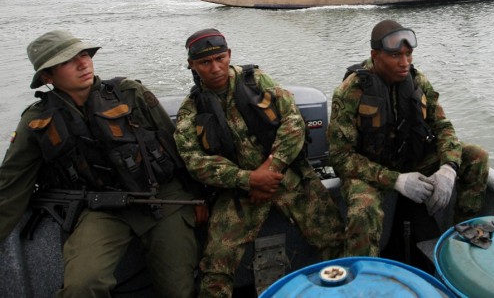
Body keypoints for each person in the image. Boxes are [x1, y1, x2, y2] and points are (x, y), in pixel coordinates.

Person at [0, 30, 205, 297]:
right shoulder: (37, 122)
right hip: (101, 207)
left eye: (84, 55)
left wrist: (199, 197)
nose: (83, 64)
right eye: (67, 61)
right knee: (82, 285)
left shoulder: (130, 94)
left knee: (179, 289)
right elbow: (11, 187)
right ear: (47, 77)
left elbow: (179, 148)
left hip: (164, 198)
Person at [174, 29, 344, 297]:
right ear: (192, 65)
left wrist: (271, 169)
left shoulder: (257, 82)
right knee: (215, 267)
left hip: (287, 176)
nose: (215, 68)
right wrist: (249, 180)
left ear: (229, 55)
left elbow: (294, 121)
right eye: (205, 63)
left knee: (335, 240)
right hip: (239, 193)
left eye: (220, 58)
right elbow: (195, 162)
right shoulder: (192, 109)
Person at [327, 19, 489, 263]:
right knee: (364, 208)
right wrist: (396, 180)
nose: (405, 63)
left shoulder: (417, 81)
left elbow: (443, 127)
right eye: (395, 55)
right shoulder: (351, 91)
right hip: (373, 171)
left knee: (476, 156)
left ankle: (461, 244)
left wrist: (448, 167)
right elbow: (340, 157)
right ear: (375, 55)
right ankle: (364, 274)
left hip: (414, 159)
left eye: (408, 54)